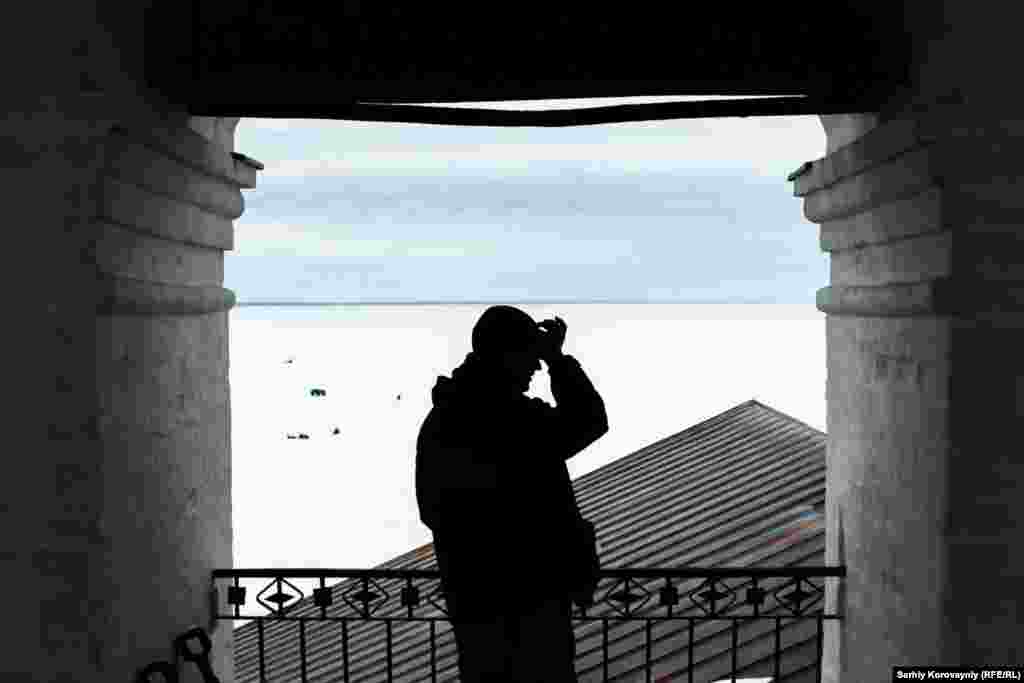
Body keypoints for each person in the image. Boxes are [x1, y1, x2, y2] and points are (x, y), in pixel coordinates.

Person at [415, 305, 609, 682]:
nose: (535, 368)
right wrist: (558, 359)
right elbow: (589, 420)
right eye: (529, 356)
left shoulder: (443, 422)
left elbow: (434, 510)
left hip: (477, 603)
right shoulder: (518, 420)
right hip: (532, 601)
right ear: (506, 355)